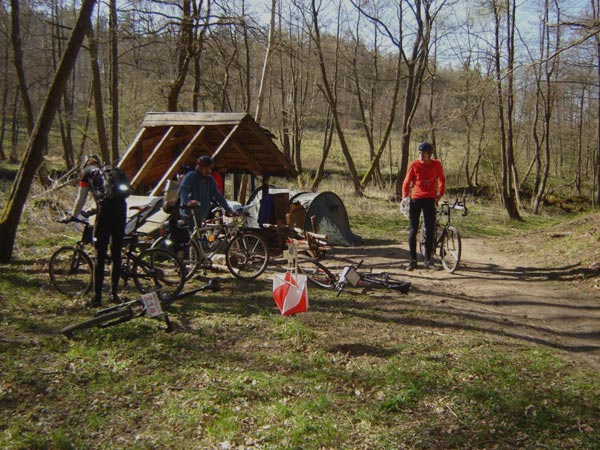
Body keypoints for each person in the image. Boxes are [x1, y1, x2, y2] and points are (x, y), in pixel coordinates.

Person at [69, 155, 127, 307]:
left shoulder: (87, 173)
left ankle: (97, 297)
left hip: (105, 213)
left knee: (99, 255)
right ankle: (114, 294)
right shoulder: (110, 172)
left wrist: (73, 215)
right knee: (116, 254)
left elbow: (81, 198)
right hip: (121, 210)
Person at [402, 142, 446, 271]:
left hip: (430, 199)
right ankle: (413, 260)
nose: (421, 155)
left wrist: (440, 194)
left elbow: (442, 179)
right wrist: (405, 197)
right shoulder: (414, 164)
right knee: (413, 229)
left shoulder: (436, 164)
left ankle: (428, 260)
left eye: (424, 153)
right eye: (420, 153)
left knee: (430, 229)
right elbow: (406, 181)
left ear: (430, 155)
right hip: (416, 199)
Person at [178, 155, 235, 225]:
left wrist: (228, 210)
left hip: (200, 216)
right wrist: (188, 202)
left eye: (210, 168)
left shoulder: (209, 180)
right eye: (207, 168)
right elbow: (183, 190)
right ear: (200, 167)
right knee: (189, 231)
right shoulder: (191, 176)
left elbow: (218, 195)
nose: (209, 171)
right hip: (188, 215)